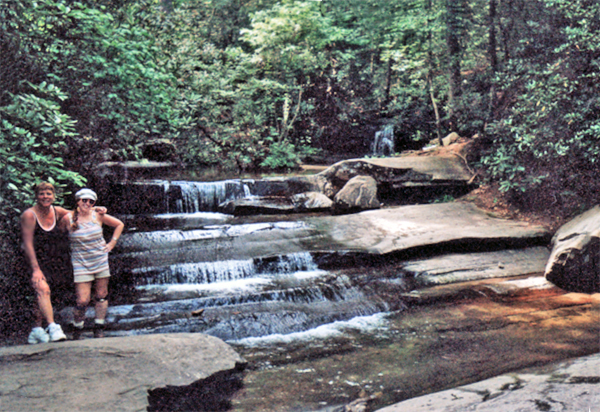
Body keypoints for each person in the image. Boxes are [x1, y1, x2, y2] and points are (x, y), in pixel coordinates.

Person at [20, 182, 106, 344]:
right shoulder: (29, 215)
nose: (45, 197)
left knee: (41, 294)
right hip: (32, 260)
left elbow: (80, 213)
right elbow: (27, 244)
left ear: (54, 196)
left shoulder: (57, 211)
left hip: (51, 259)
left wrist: (97, 209)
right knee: (43, 289)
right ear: (36, 196)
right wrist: (35, 269)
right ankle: (53, 327)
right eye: (41, 194)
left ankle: (36, 330)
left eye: (48, 194)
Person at [60, 188, 124, 338]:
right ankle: (77, 328)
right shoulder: (68, 218)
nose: (87, 203)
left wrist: (111, 244)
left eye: (91, 201)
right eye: (84, 200)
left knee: (101, 294)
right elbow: (59, 232)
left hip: (100, 259)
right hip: (80, 262)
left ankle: (99, 327)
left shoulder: (98, 216)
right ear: (77, 201)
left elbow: (119, 224)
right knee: (82, 300)